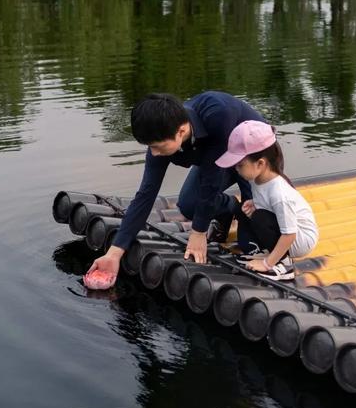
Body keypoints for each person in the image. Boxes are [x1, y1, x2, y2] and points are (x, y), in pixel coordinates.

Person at [87, 91, 265, 277]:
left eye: (158, 147)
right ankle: (230, 209)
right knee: (189, 205)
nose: (154, 153)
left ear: (181, 131)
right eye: (150, 147)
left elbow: (211, 182)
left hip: (256, 160)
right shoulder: (163, 133)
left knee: (249, 244)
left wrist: (198, 231)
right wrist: (114, 254)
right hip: (216, 159)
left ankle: (246, 212)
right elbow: (145, 195)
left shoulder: (217, 115)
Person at [215, 120, 318, 281]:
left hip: (299, 239)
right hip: (283, 229)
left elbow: (289, 234)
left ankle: (284, 265)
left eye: (240, 165)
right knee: (244, 208)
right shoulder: (257, 179)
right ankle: (262, 252)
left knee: (260, 217)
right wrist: (255, 204)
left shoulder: (279, 193)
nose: (236, 169)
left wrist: (267, 264)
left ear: (260, 163)